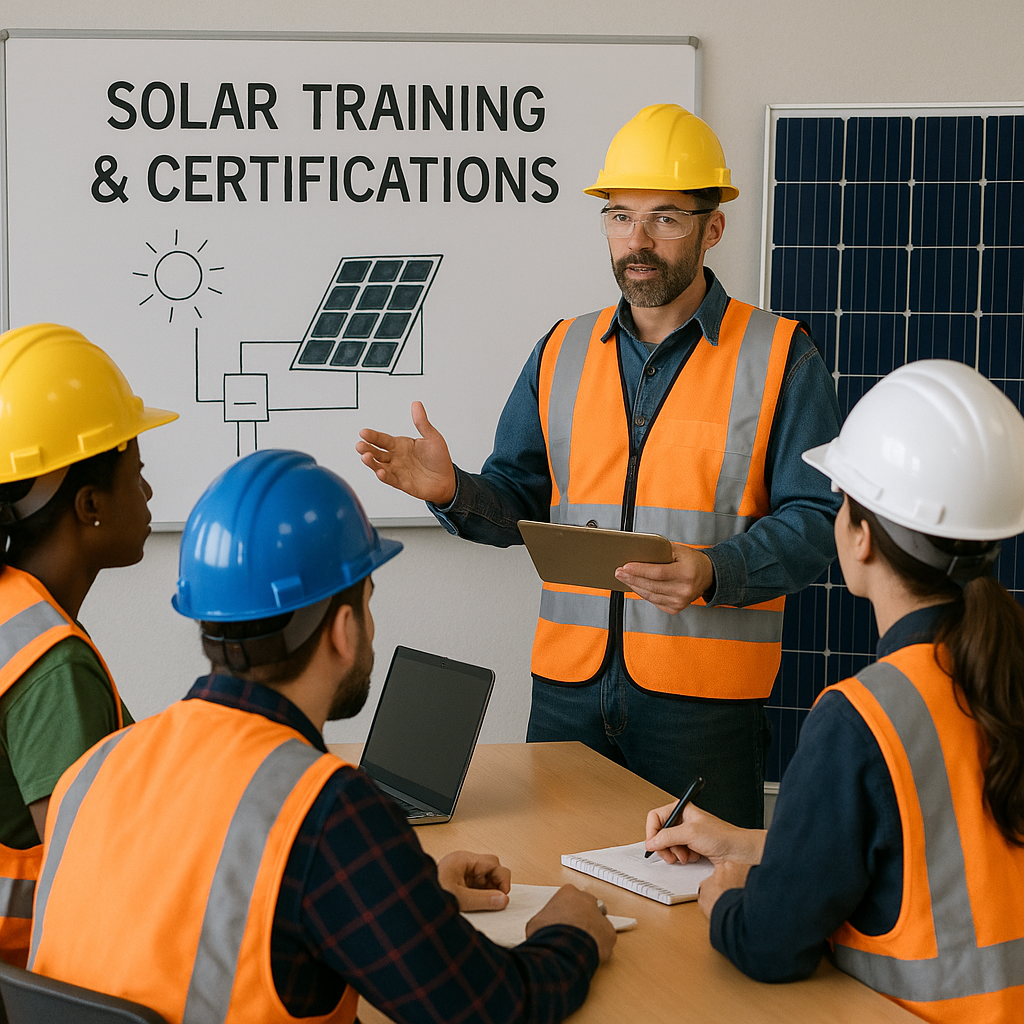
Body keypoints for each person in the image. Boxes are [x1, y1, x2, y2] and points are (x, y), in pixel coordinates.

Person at [357, 103, 841, 827]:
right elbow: (518, 502)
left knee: (700, 889)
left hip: (702, 705)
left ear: (713, 228)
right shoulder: (562, 350)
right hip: (568, 692)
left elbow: (821, 519)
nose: (636, 241)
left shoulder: (780, 356)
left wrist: (714, 570)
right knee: (555, 878)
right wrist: (453, 491)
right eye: (620, 217)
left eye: (664, 218)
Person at [29, 449, 614, 1024]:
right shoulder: (326, 810)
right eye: (368, 604)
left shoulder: (98, 765)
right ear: (343, 628)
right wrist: (569, 932)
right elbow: (493, 1008)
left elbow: (190, 913)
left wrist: (400, 895)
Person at [644, 359, 1024, 1022]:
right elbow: (927, 857)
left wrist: (723, 897)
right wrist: (746, 845)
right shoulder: (1000, 669)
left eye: (842, 502)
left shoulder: (861, 718)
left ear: (862, 537)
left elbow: (769, 945)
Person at [0, 323, 176, 967]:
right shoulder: (50, 663)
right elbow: (91, 878)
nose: (148, 493)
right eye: (138, 474)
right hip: (42, 979)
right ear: (91, 504)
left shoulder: (14, 610)